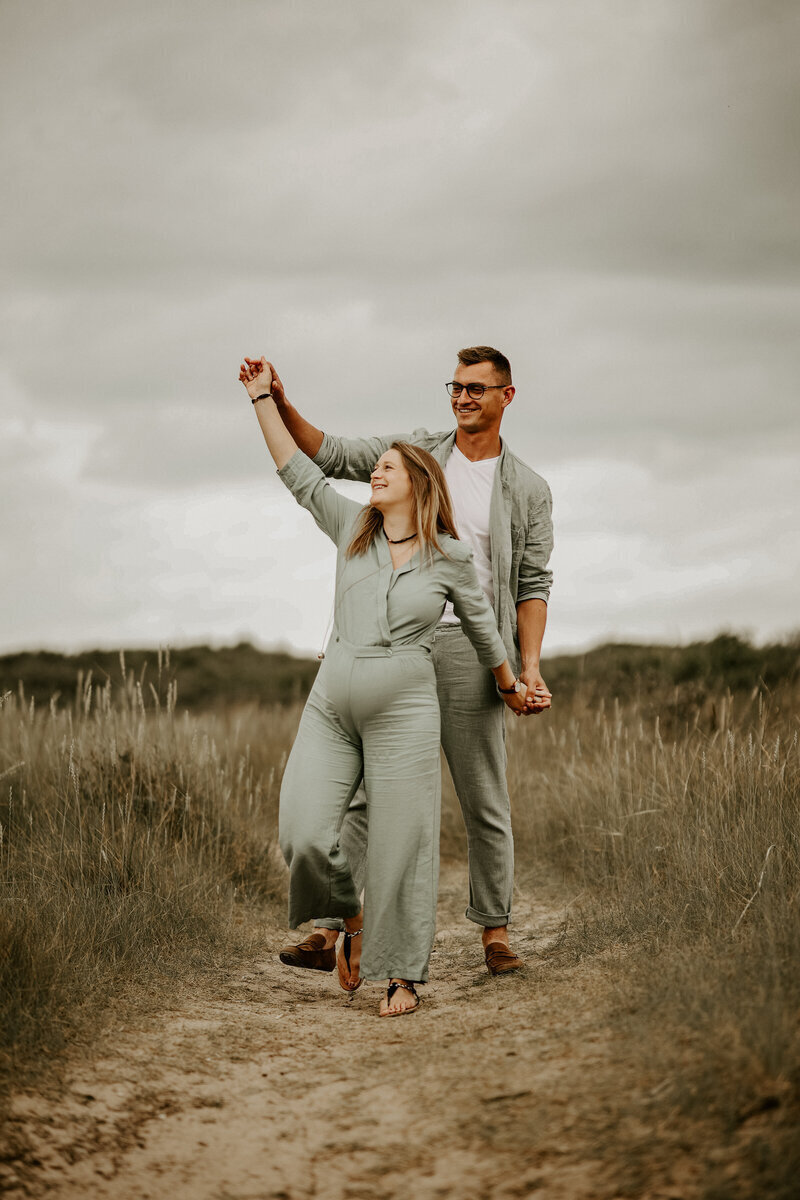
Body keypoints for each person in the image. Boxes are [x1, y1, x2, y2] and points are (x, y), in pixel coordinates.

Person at [239, 355, 532, 1016]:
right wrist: (263, 399)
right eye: (377, 468)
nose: (375, 472)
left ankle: (402, 975)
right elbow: (297, 470)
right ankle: (350, 917)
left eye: (388, 469)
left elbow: (485, 635)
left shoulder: (450, 557)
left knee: (405, 844)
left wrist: (513, 684)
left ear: (417, 486)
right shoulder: (349, 529)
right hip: (332, 702)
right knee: (304, 832)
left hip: (406, 707)